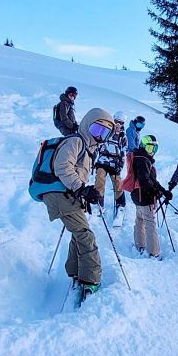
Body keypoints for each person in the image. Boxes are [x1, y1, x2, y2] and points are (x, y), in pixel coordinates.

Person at [36, 107, 116, 302]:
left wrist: (84, 191)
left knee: (80, 232)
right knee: (85, 235)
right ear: (87, 125)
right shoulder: (76, 141)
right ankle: (91, 280)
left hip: (66, 193)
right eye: (96, 130)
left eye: (104, 132)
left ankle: (76, 271)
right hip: (59, 194)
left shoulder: (88, 149)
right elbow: (62, 167)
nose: (99, 136)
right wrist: (81, 189)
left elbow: (75, 172)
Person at [131, 134, 173, 259]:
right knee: (149, 222)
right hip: (144, 196)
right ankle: (153, 252)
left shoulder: (139, 157)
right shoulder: (143, 160)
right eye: (150, 148)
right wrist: (154, 191)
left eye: (154, 149)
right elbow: (144, 180)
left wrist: (163, 190)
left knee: (140, 219)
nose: (152, 151)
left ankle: (140, 245)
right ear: (143, 146)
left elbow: (151, 179)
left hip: (137, 195)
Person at [94, 111, 128, 228]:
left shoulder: (123, 136)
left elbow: (124, 152)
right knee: (99, 179)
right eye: (116, 121)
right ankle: (99, 202)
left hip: (114, 162)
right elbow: (97, 144)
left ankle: (120, 204)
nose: (118, 124)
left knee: (117, 183)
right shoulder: (106, 131)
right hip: (103, 159)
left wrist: (120, 165)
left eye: (121, 123)